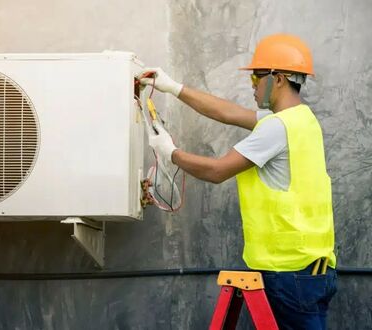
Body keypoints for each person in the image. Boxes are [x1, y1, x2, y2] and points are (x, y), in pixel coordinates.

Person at [139, 33, 337, 329]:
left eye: (257, 77)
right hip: (316, 271)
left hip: (287, 271)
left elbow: (218, 171)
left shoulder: (276, 129)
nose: (253, 85)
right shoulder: (302, 120)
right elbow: (228, 112)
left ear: (278, 78)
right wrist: (174, 88)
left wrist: (171, 154)